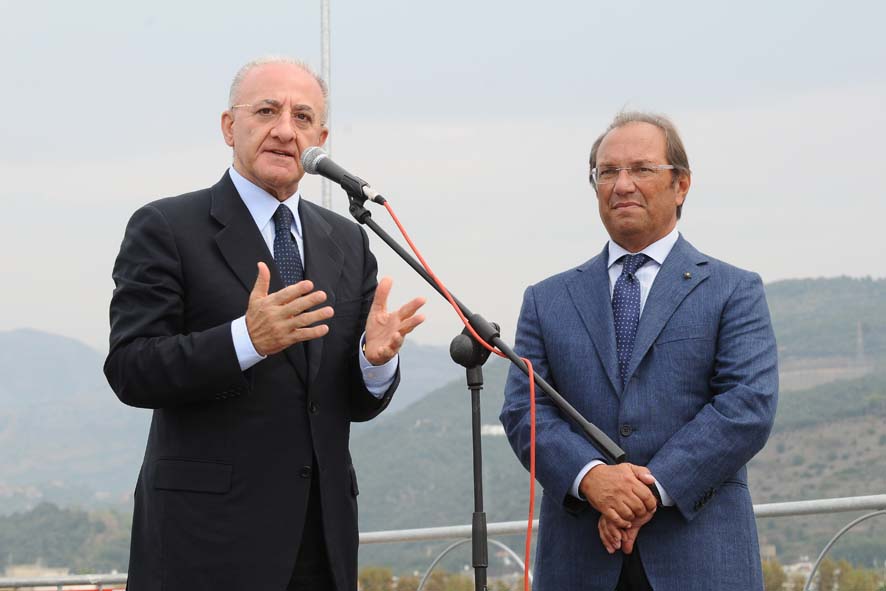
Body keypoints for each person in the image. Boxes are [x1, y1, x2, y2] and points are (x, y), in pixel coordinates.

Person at [104, 56, 425, 591]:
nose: (284, 130)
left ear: (321, 138)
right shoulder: (167, 227)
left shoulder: (346, 240)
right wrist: (244, 342)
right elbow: (131, 368)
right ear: (230, 127)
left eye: (302, 118)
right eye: (266, 111)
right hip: (205, 544)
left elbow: (348, 402)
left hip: (320, 541)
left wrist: (373, 365)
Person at [500, 111, 778, 591]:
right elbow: (525, 411)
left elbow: (747, 406)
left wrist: (644, 491)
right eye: (607, 172)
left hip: (701, 559)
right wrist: (591, 479)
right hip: (580, 560)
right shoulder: (546, 300)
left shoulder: (733, 290)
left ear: (681, 184)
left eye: (642, 169)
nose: (622, 184)